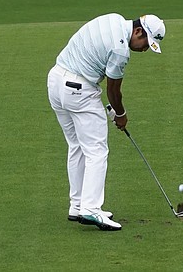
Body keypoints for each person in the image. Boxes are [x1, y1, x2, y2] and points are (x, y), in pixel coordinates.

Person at [47, 13, 166, 231]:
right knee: (97, 151)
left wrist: (111, 108)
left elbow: (93, 60)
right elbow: (113, 90)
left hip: (55, 81)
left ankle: (77, 205)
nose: (144, 49)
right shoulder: (121, 51)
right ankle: (91, 209)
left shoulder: (114, 19)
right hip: (78, 90)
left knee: (77, 147)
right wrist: (120, 115)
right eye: (146, 43)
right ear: (138, 32)